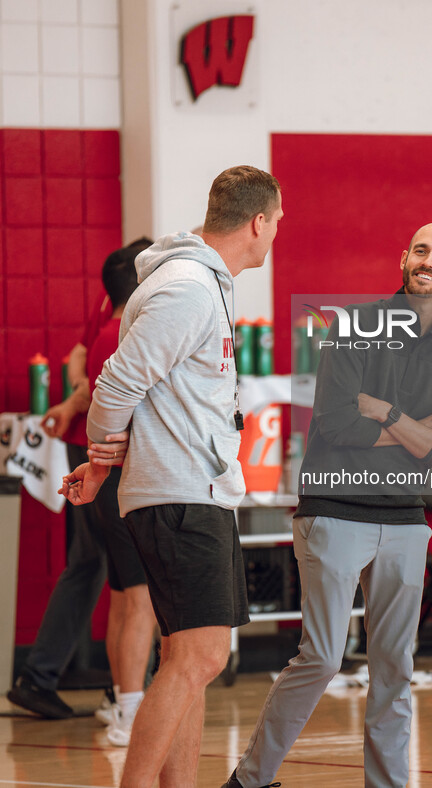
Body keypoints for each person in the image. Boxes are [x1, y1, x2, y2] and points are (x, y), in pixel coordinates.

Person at [221, 222, 432, 788]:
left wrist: (385, 414)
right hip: (334, 512)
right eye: (420, 250)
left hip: (407, 523)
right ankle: (248, 782)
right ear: (403, 258)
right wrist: (416, 427)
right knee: (322, 658)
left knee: (395, 669)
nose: (428, 261)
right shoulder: (354, 327)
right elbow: (336, 424)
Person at [61, 165, 283, 788]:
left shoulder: (201, 282)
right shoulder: (188, 287)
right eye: (278, 224)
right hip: (180, 496)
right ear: (258, 222)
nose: (276, 235)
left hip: (190, 492)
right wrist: (103, 461)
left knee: (188, 657)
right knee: (203, 655)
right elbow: (115, 384)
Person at [6, 247, 143, 719]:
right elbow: (98, 374)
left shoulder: (110, 312)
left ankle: (56, 679)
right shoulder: (123, 321)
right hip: (104, 457)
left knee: (96, 568)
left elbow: (78, 360)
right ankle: (126, 698)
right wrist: (73, 405)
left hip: (90, 446)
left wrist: (68, 404)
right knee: (131, 587)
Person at [87, 244, 157, 746]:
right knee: (141, 602)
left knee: (121, 599)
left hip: (109, 482)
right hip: (122, 481)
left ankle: (119, 699)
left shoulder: (100, 335)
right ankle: (130, 713)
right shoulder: (127, 334)